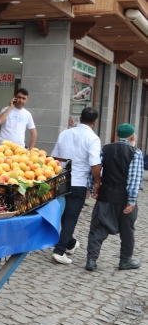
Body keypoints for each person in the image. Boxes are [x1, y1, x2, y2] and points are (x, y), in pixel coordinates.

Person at [85, 123, 143, 271]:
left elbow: (95, 168)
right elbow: (134, 179)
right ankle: (125, 261)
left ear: (116, 135)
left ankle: (91, 260)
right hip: (124, 199)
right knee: (127, 231)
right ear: (132, 136)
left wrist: (93, 188)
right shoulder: (135, 152)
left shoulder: (105, 149)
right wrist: (132, 200)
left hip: (106, 195)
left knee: (98, 228)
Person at [50, 107, 101, 265]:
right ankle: (59, 251)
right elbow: (94, 164)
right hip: (78, 183)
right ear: (95, 122)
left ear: (80, 118)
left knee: (65, 215)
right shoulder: (93, 138)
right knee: (71, 217)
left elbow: (54, 158)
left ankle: (70, 243)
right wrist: (97, 182)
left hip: (62, 180)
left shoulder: (65, 133)